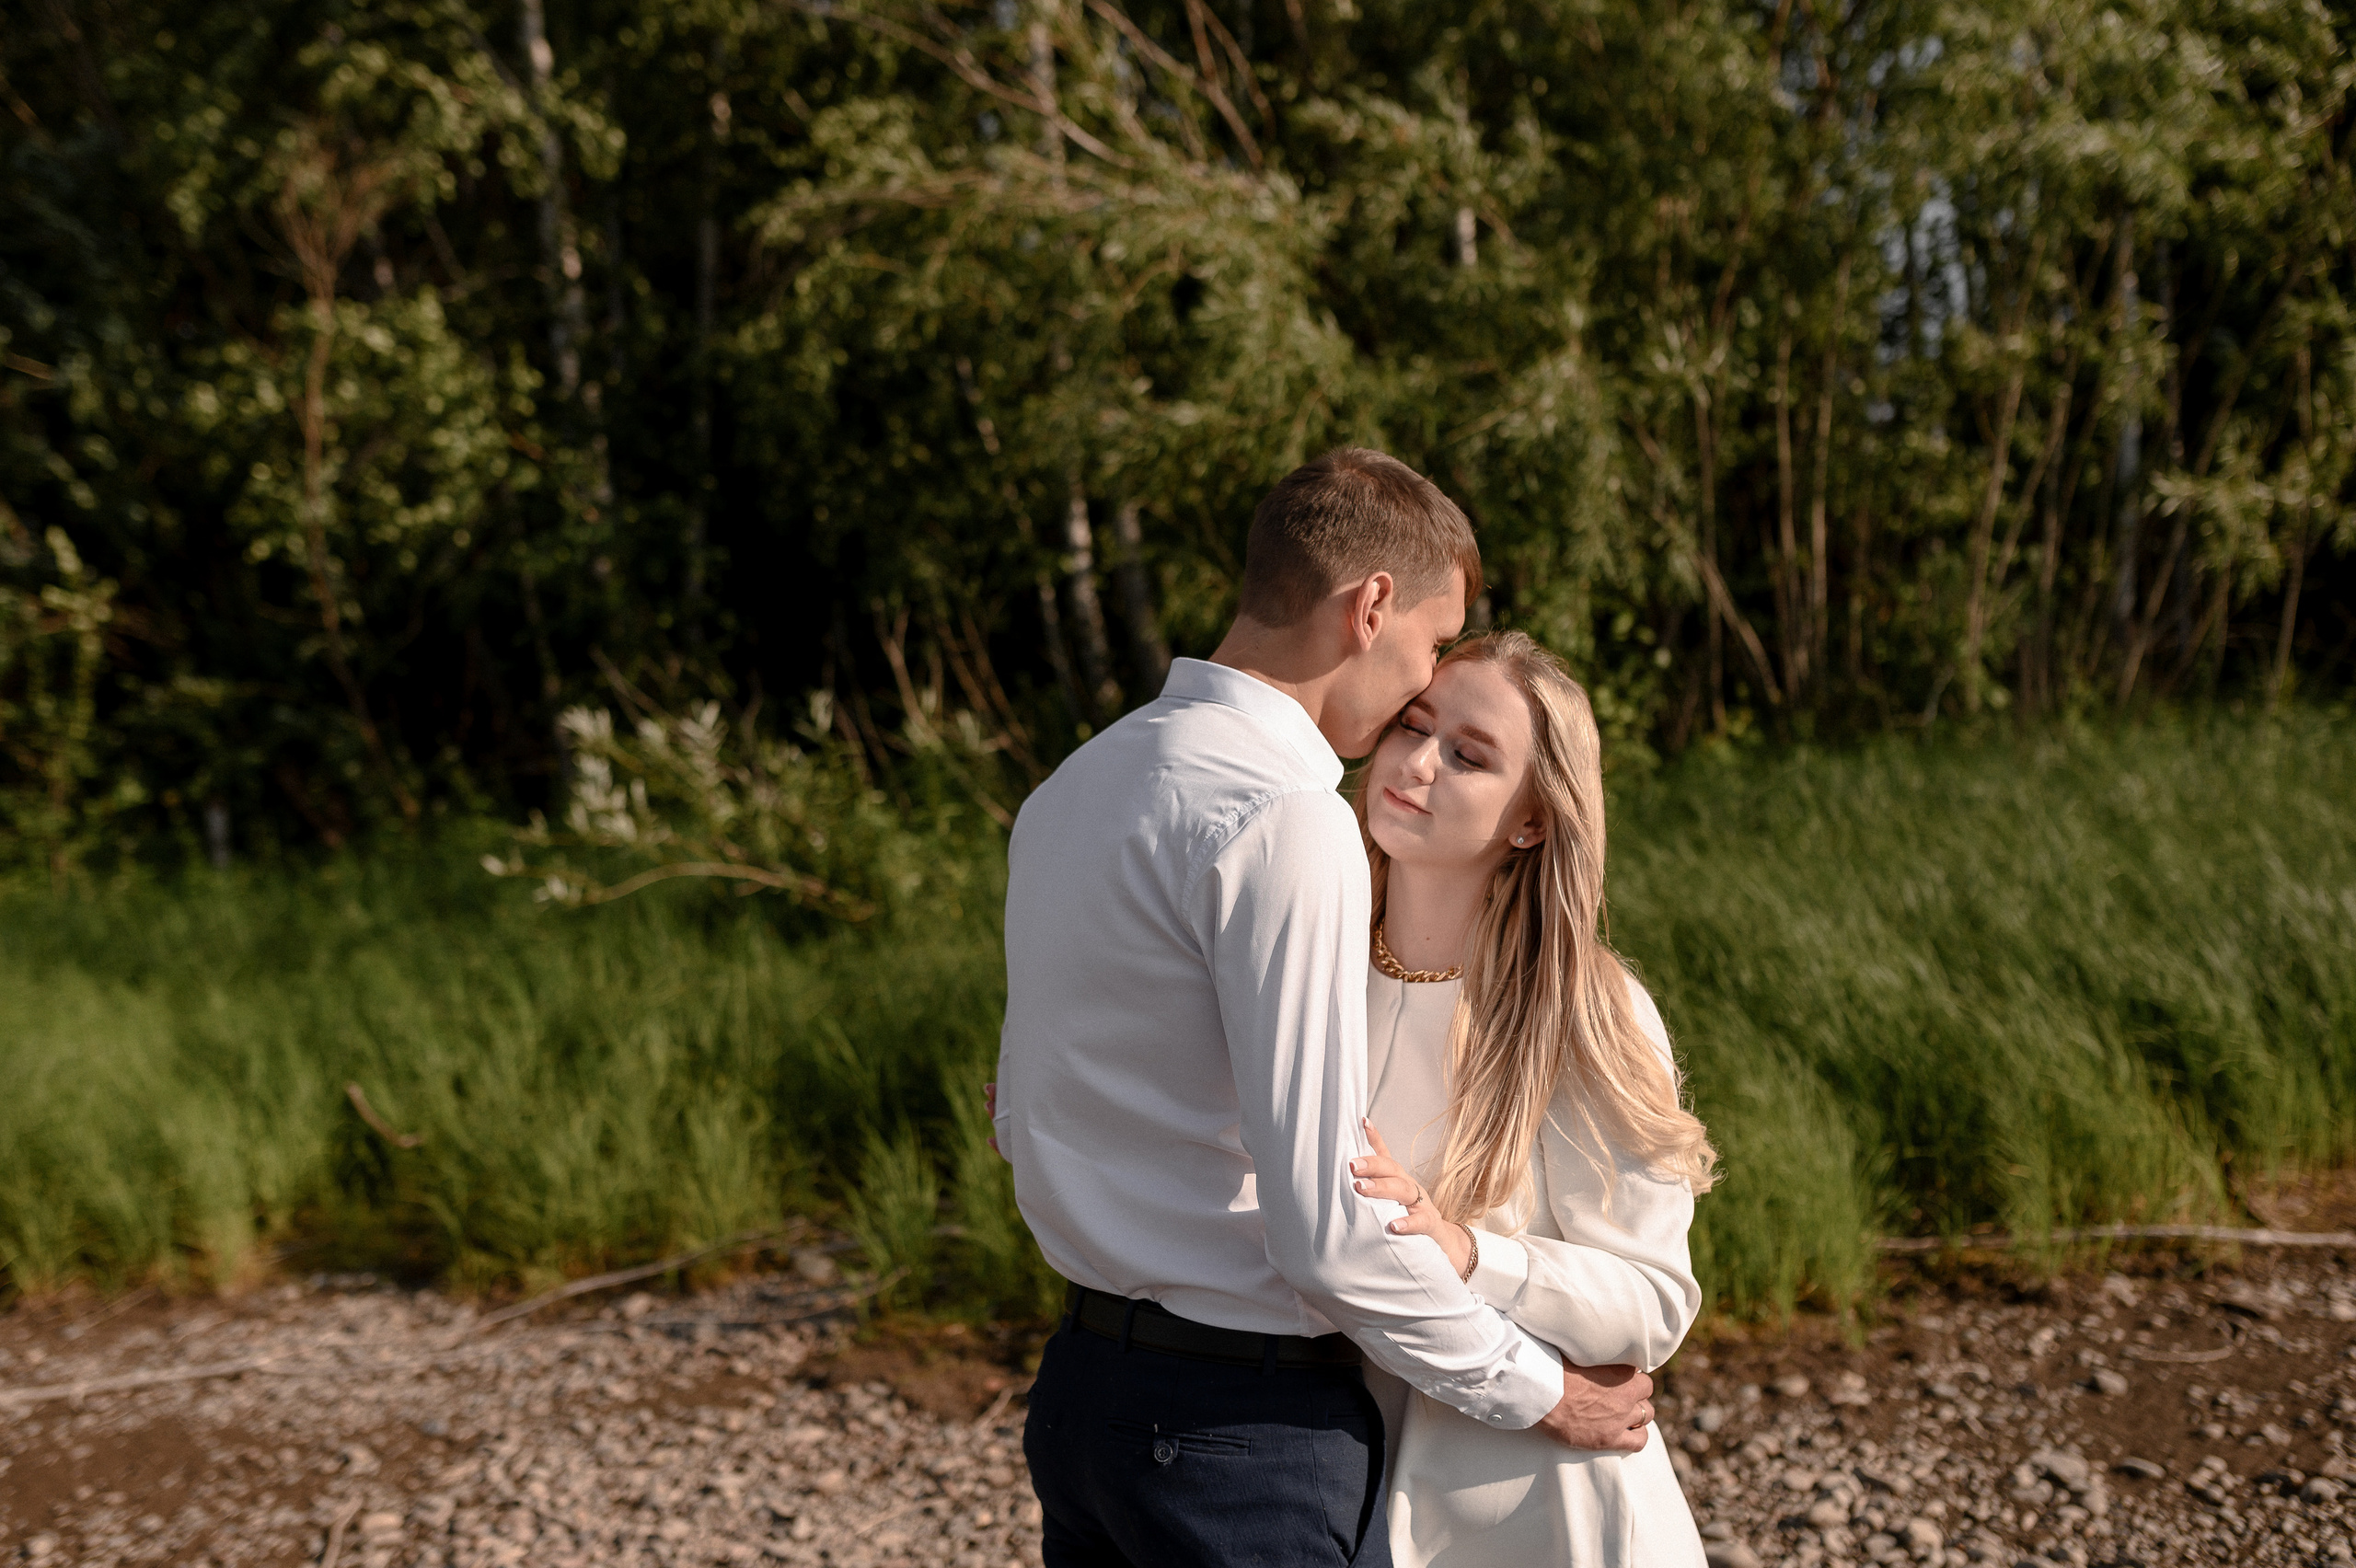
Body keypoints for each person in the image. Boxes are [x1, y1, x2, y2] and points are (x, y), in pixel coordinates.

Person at [992, 449, 1655, 1568]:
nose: (1419, 684)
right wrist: (1541, 1391)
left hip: (1078, 1402)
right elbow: (1328, 1230)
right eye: (1432, 646)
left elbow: (1017, 1115)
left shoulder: (1075, 785)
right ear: (1371, 607)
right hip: (1236, 1435)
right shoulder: (1283, 818)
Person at [1345, 630, 1716, 1566]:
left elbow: (1653, 1304)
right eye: (1412, 727)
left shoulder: (1583, 1009)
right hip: (1337, 1493)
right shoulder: (1310, 971)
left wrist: (1467, 1250)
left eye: (1468, 756)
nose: (1417, 763)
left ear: (1532, 821)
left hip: (1547, 1513)